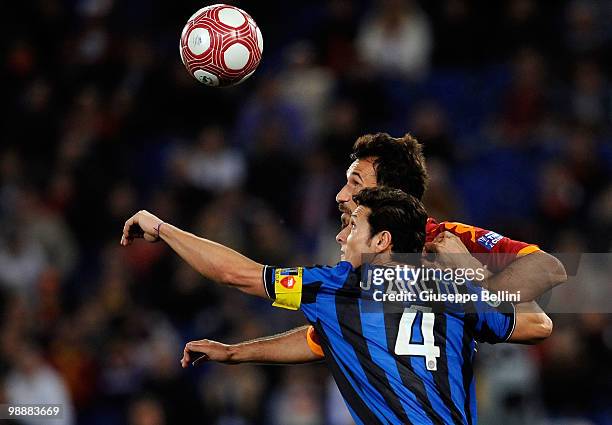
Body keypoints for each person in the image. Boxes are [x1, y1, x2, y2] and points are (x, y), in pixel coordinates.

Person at [121, 187, 551, 424]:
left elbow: (238, 275)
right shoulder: (450, 289)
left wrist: (162, 228)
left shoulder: (339, 286)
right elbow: (538, 324)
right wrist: (237, 353)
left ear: (382, 241)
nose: (340, 237)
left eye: (352, 227)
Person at [173, 132, 566, 364]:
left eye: (356, 184)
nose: (341, 195)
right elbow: (323, 335)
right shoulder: (352, 263)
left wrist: (470, 281)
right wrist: (237, 353)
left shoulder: (445, 239)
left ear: (391, 194)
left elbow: (549, 272)